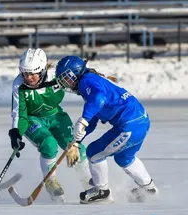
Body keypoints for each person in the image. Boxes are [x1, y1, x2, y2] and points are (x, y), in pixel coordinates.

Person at [55, 55, 158, 204]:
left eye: (66, 78)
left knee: (94, 152)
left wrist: (83, 119)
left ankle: (102, 191)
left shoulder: (86, 82)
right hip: (141, 121)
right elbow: (93, 121)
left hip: (129, 125)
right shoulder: (93, 81)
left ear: (76, 73)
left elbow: (98, 99)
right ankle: (149, 189)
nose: (65, 83)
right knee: (124, 158)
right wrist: (76, 142)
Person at [9, 48, 92, 203]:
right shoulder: (19, 85)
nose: (28, 78)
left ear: (42, 70)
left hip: (56, 116)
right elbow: (19, 113)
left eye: (33, 73)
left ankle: (88, 182)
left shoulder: (57, 76)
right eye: (25, 73)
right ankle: (51, 181)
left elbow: (81, 82)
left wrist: (100, 84)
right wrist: (16, 133)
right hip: (32, 119)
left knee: (75, 146)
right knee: (49, 143)